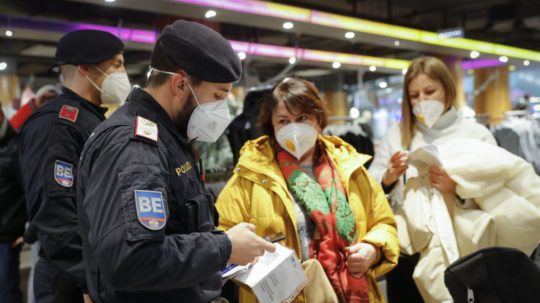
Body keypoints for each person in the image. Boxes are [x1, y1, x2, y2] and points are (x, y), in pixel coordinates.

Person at [76, 20, 275, 303]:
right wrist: (224, 247)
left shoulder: (168, 137)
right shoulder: (135, 147)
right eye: (218, 96)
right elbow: (133, 259)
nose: (221, 109)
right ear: (180, 84)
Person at [216, 78, 399, 303]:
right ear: (271, 126)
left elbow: (384, 223)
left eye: (302, 118)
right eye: (284, 121)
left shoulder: (350, 169)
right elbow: (223, 237)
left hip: (353, 293)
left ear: (319, 120)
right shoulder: (250, 176)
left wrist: (373, 249)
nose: (293, 129)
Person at [368, 56, 496, 303]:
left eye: (429, 92)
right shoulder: (397, 134)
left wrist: (458, 188)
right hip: (408, 250)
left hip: (461, 250)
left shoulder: (475, 134)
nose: (422, 101)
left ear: (447, 90)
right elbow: (371, 188)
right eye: (414, 95)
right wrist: (389, 178)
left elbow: (496, 188)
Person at [19, 30, 130, 303]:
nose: (124, 72)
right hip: (70, 279)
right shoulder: (58, 125)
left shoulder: (91, 119)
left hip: (96, 270)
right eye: (116, 64)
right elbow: (55, 213)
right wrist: (89, 279)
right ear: (85, 68)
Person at [0, 85, 60, 303]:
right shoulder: (23, 138)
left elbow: (36, 189)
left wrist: (29, 231)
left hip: (14, 233)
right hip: (23, 230)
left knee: (9, 288)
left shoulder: (15, 147)